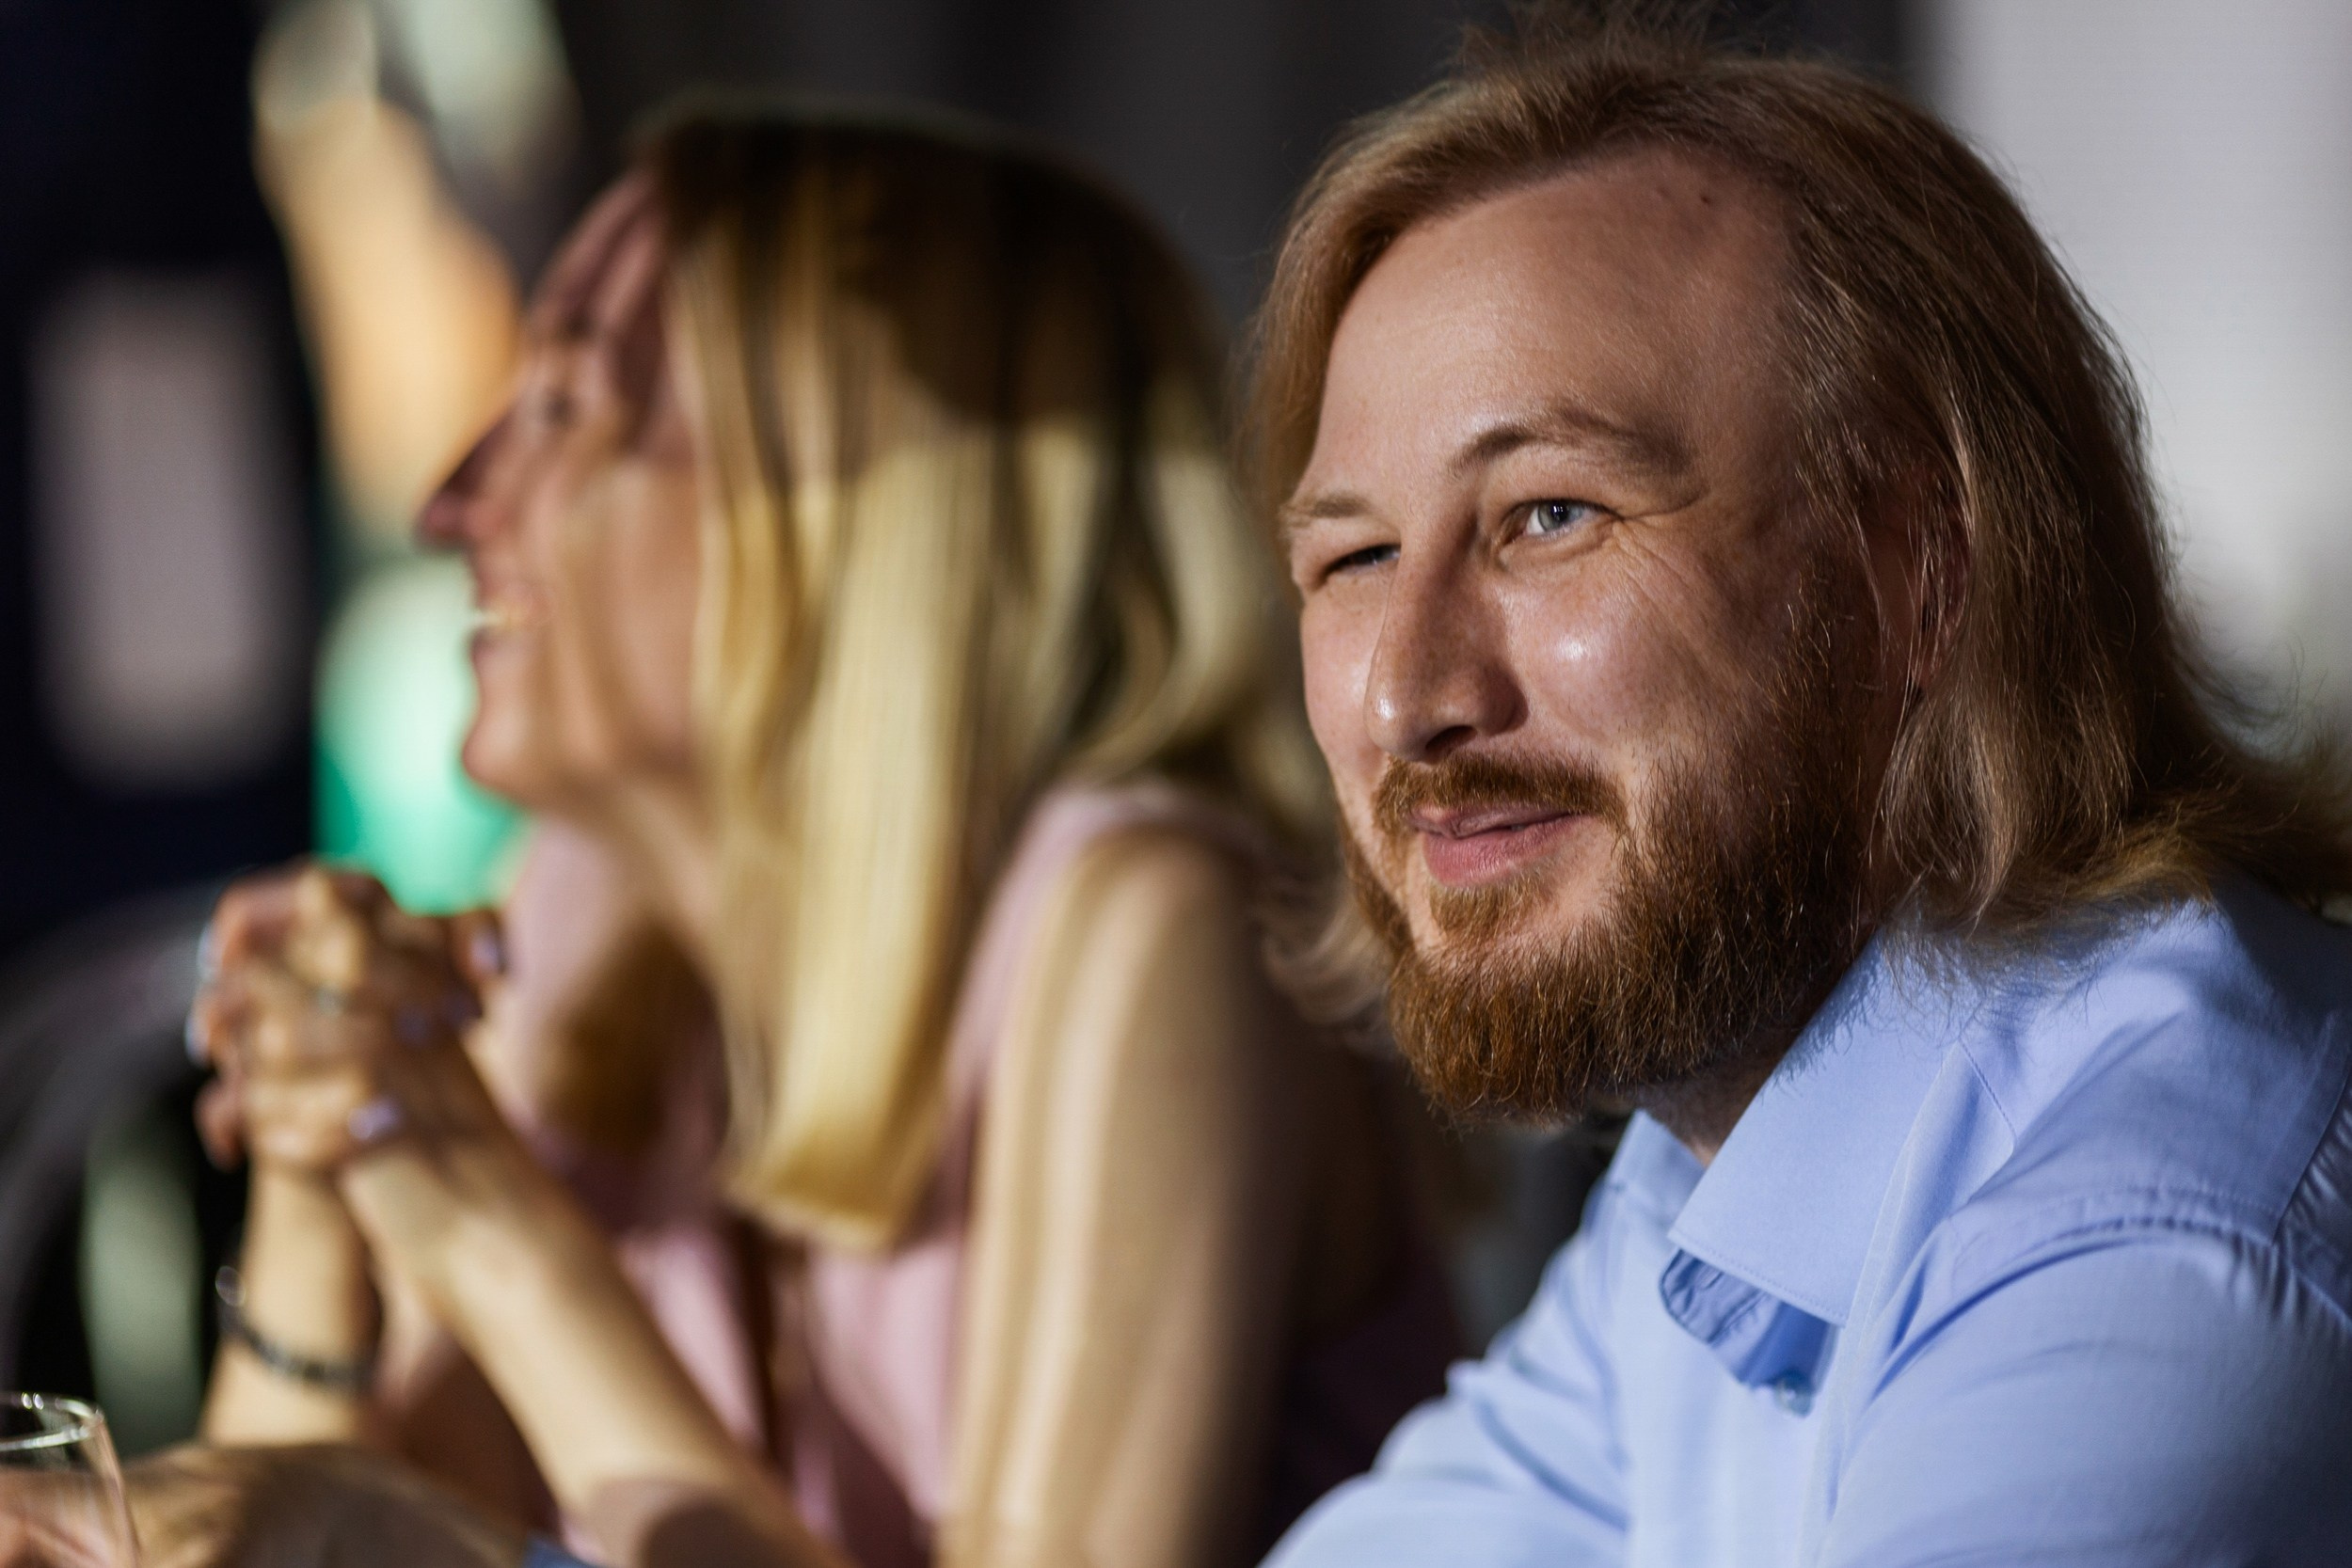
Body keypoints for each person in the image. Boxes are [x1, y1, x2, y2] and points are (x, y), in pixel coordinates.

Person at [183, 107, 1454, 1568]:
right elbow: (325, 1541)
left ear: (848, 508)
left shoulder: (1150, 924)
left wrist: (488, 1226)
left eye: (562, 408)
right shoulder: (589, 909)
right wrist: (313, 1155)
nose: (448, 502)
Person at [1241, 8, 2352, 1565]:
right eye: (1353, 556)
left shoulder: (2145, 1256)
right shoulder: (1733, 1153)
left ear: (1921, 571)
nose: (1410, 695)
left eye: (1550, 514)